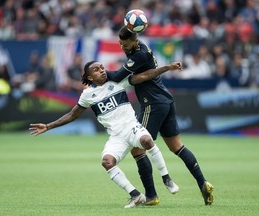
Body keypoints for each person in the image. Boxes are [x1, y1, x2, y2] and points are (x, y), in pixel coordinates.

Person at [29, 60, 182, 208]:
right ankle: (136, 195)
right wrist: (48, 126)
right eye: (96, 69)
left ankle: (166, 178)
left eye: (102, 67)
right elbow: (72, 115)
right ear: (89, 77)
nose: (102, 70)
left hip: (132, 127)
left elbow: (145, 75)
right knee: (107, 162)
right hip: (116, 137)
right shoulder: (87, 95)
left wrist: (167, 68)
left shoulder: (118, 81)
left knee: (147, 140)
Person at [106, 25, 214, 206]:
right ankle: (203, 183)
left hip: (152, 104)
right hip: (166, 100)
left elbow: (117, 76)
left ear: (136, 41)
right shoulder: (138, 48)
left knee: (137, 148)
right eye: (122, 45)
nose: (124, 48)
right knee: (177, 147)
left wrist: (100, 75)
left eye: (126, 45)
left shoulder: (139, 55)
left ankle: (151, 196)